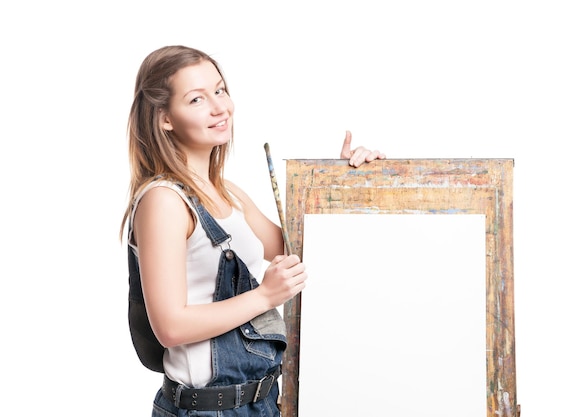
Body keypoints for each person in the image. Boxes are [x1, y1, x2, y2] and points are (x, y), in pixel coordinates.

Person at [120, 45, 385, 417]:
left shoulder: (229, 193)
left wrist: (344, 182)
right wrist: (264, 296)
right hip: (205, 411)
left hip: (261, 403)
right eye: (197, 99)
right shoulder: (164, 201)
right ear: (165, 118)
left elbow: (302, 250)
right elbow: (170, 326)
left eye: (220, 90)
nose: (219, 107)